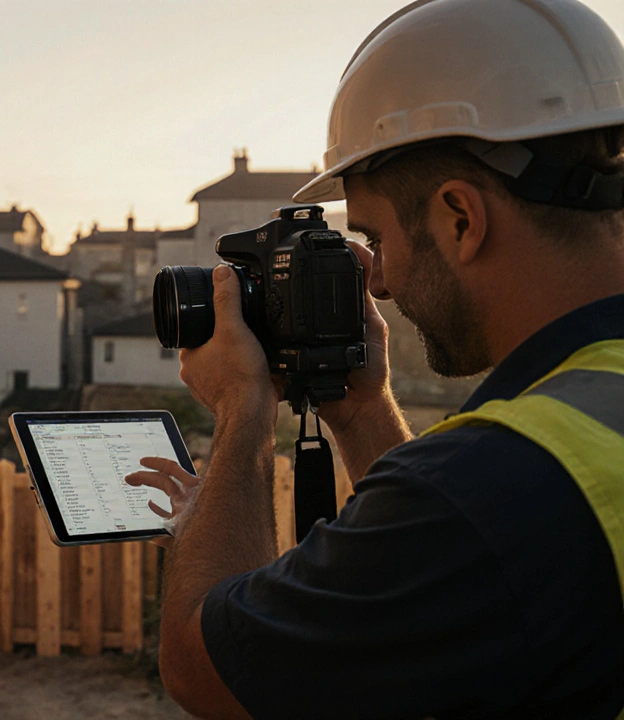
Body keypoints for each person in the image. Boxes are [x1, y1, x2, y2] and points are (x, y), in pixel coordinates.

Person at [124, 0, 624, 717]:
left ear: (460, 219)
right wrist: (360, 412)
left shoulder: (497, 486)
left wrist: (243, 409)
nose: (377, 283)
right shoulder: (568, 439)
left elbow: (205, 666)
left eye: (378, 240)